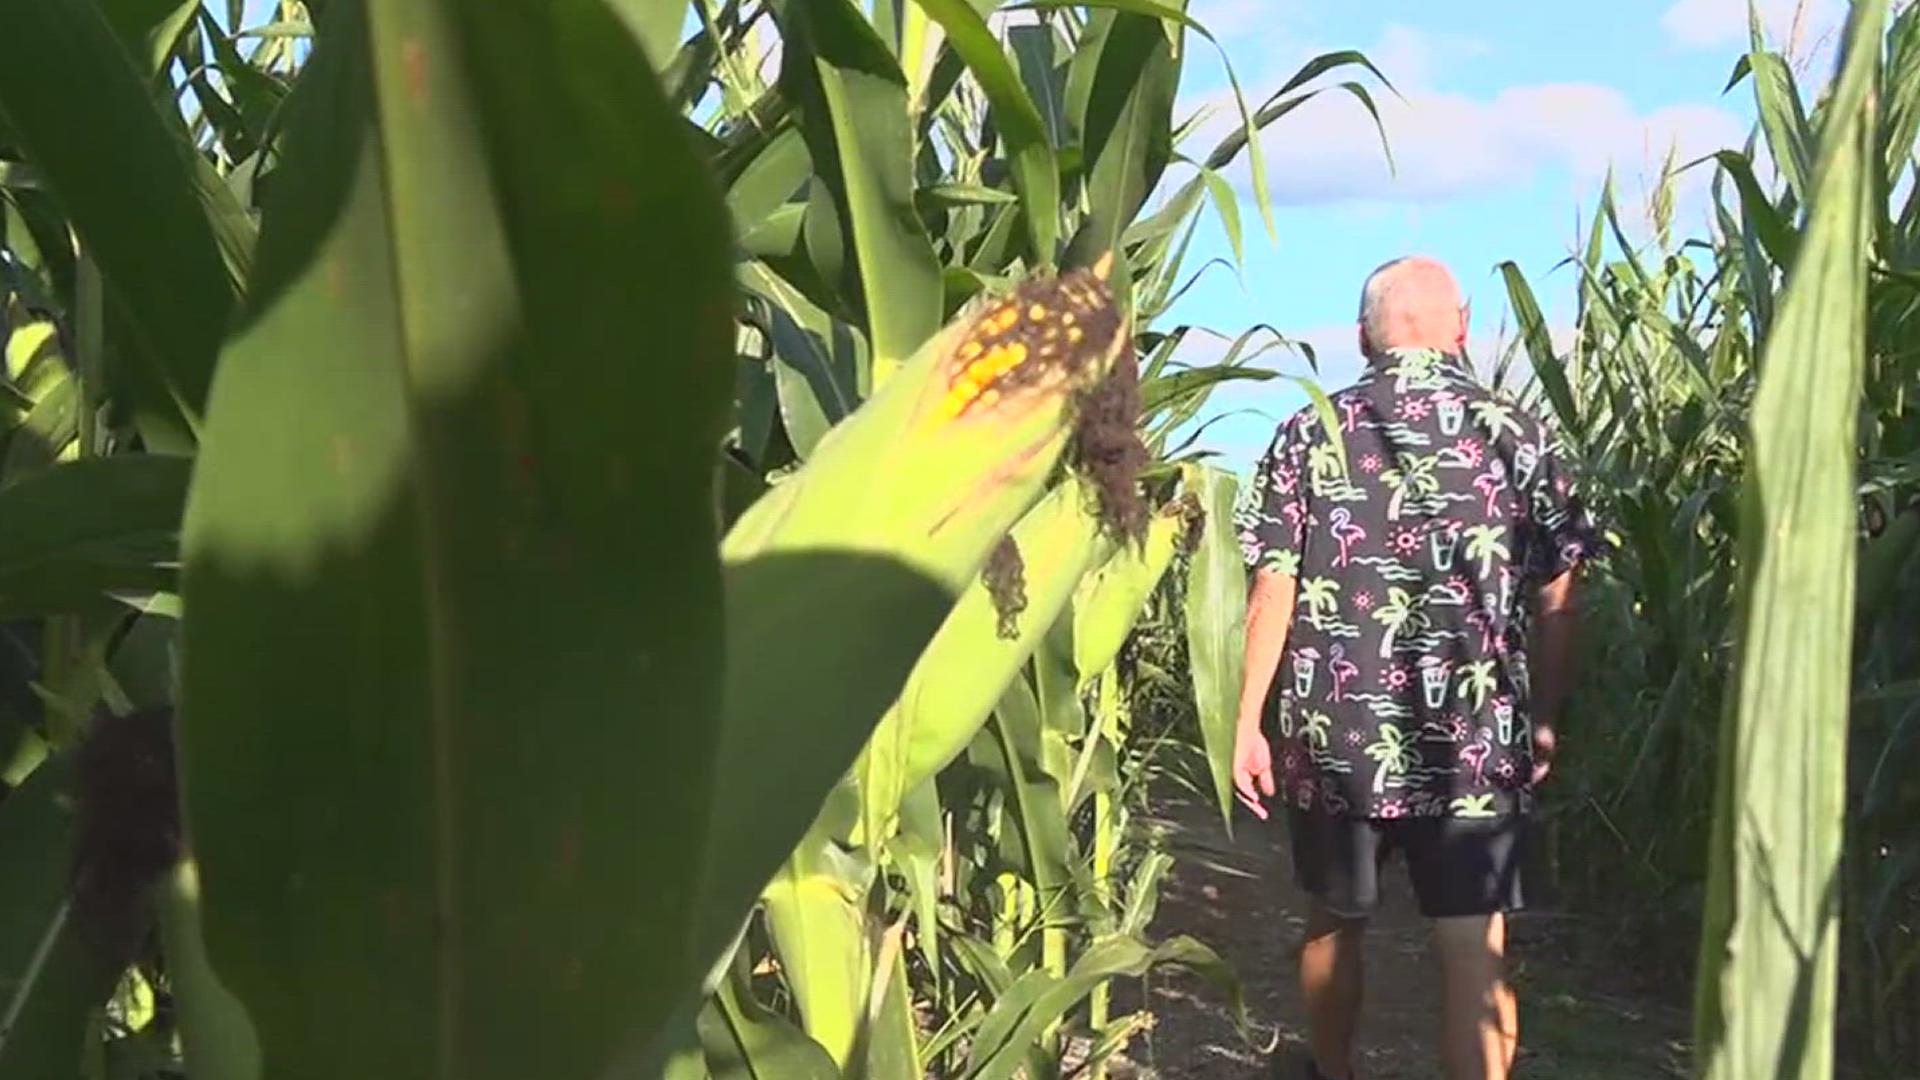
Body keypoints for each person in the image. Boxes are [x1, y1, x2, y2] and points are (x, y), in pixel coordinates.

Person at [1230, 256, 1599, 1080]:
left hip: (1337, 736)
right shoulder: (1519, 435)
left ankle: (1333, 1071)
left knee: (1333, 919)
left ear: (1363, 337)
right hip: (1473, 734)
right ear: (1462, 328)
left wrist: (1248, 717)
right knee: (1474, 942)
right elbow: (1563, 593)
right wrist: (1542, 712)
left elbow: (1272, 582)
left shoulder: (1308, 432)